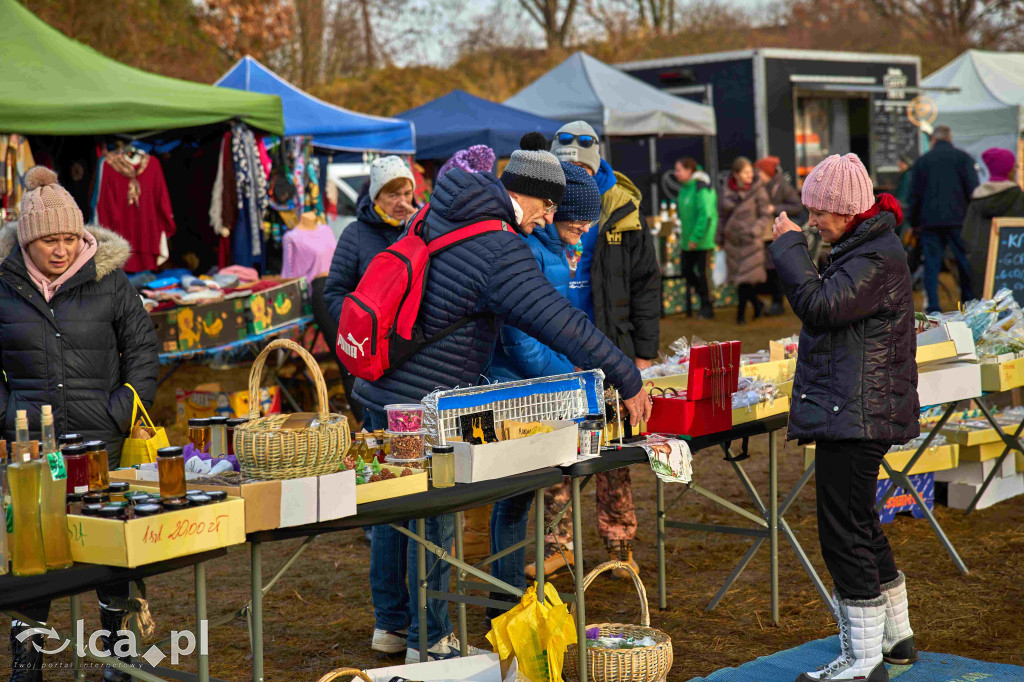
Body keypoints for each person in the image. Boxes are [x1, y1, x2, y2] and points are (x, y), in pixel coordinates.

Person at [350, 143, 652, 663]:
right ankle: (432, 639)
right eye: (548, 205)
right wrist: (626, 375)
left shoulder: (442, 210)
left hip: (380, 384)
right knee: (435, 513)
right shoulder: (498, 245)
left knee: (392, 510)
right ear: (526, 194)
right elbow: (560, 323)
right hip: (422, 400)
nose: (550, 217)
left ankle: (392, 625)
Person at [1, 167, 159, 681]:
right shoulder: (3, 284)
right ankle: (28, 659)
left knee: (110, 546)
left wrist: (125, 405)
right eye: (50, 239)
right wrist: (8, 417)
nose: (62, 249)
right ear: (28, 239)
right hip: (29, 450)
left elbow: (142, 348)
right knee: (34, 552)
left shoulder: (110, 280)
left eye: (70, 237)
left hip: (101, 441)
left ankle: (118, 649)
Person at [771, 154, 918, 682]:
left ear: (848, 210)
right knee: (858, 522)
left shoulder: (872, 257)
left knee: (842, 533)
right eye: (808, 213)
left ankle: (862, 661)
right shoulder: (866, 247)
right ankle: (895, 636)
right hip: (856, 408)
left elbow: (820, 306)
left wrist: (787, 247)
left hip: (856, 413)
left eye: (820, 212)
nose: (812, 221)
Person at [541, 120, 660, 580]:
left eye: (584, 170)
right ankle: (559, 545)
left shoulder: (623, 210)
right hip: (553, 348)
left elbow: (647, 285)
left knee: (613, 451)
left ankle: (619, 543)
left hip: (612, 347)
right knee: (555, 453)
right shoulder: (542, 207)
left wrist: (643, 355)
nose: (577, 178)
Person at [486, 155, 602, 614]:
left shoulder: (551, 250)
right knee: (512, 501)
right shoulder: (531, 249)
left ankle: (511, 594)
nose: (586, 230)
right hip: (517, 390)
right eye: (581, 221)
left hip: (534, 387)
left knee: (518, 501)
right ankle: (508, 598)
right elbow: (522, 342)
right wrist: (573, 376)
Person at [319, 156, 418, 426]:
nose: (402, 202)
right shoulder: (356, 233)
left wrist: (416, 229)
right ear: (376, 196)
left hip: (412, 346)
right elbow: (334, 291)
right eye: (392, 194)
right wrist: (360, 330)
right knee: (378, 421)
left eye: (407, 193)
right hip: (372, 347)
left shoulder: (422, 229)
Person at [906, 125, 978, 312]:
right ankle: (968, 304)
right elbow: (973, 191)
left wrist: (913, 223)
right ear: (950, 137)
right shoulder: (963, 158)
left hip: (929, 222)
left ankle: (933, 307)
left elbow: (914, 195)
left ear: (933, 140)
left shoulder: (922, 161)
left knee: (932, 263)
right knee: (963, 261)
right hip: (958, 221)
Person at [719, 157, 773, 325]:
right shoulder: (726, 190)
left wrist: (755, 229)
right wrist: (719, 238)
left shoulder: (758, 190)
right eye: (746, 172)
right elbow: (722, 217)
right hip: (733, 241)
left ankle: (741, 315)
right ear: (736, 174)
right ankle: (757, 306)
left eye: (751, 172)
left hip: (751, 241)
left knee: (745, 280)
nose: (750, 175)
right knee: (741, 279)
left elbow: (765, 213)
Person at [963, 148, 1024, 296]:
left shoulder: (978, 199)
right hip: (1015, 269)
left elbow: (966, 234)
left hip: (979, 265)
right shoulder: (1019, 198)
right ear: (1009, 170)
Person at [755, 156, 802, 316]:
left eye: (759, 171)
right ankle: (773, 302)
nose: (756, 174)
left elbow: (797, 207)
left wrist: (773, 208)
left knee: (775, 269)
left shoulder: (782, 186)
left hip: (777, 233)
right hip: (764, 233)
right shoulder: (761, 186)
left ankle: (778, 303)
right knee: (768, 268)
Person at [674, 157, 717, 319]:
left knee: (704, 275)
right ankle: (705, 299)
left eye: (679, 170)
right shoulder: (685, 188)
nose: (676, 174)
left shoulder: (701, 188)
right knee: (686, 271)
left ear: (689, 171)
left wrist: (696, 237)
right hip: (687, 241)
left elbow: (706, 215)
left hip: (702, 241)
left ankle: (708, 307)